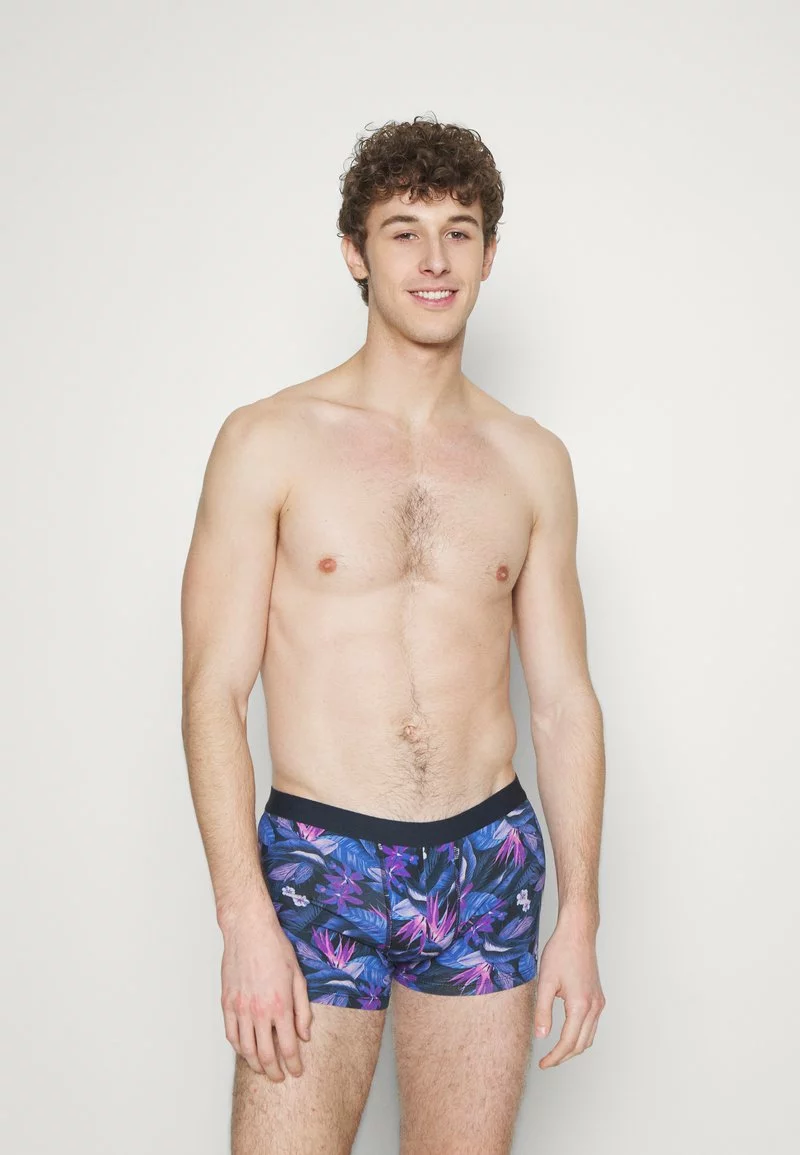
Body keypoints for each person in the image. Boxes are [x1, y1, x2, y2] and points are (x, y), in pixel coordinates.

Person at [181, 114, 606, 1155]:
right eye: (403, 231)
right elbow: (212, 692)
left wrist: (580, 918)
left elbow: (562, 703)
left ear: (488, 255)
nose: (433, 259)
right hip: (317, 860)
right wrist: (242, 916)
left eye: (459, 232)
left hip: (484, 859)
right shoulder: (268, 440)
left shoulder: (531, 460)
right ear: (355, 253)